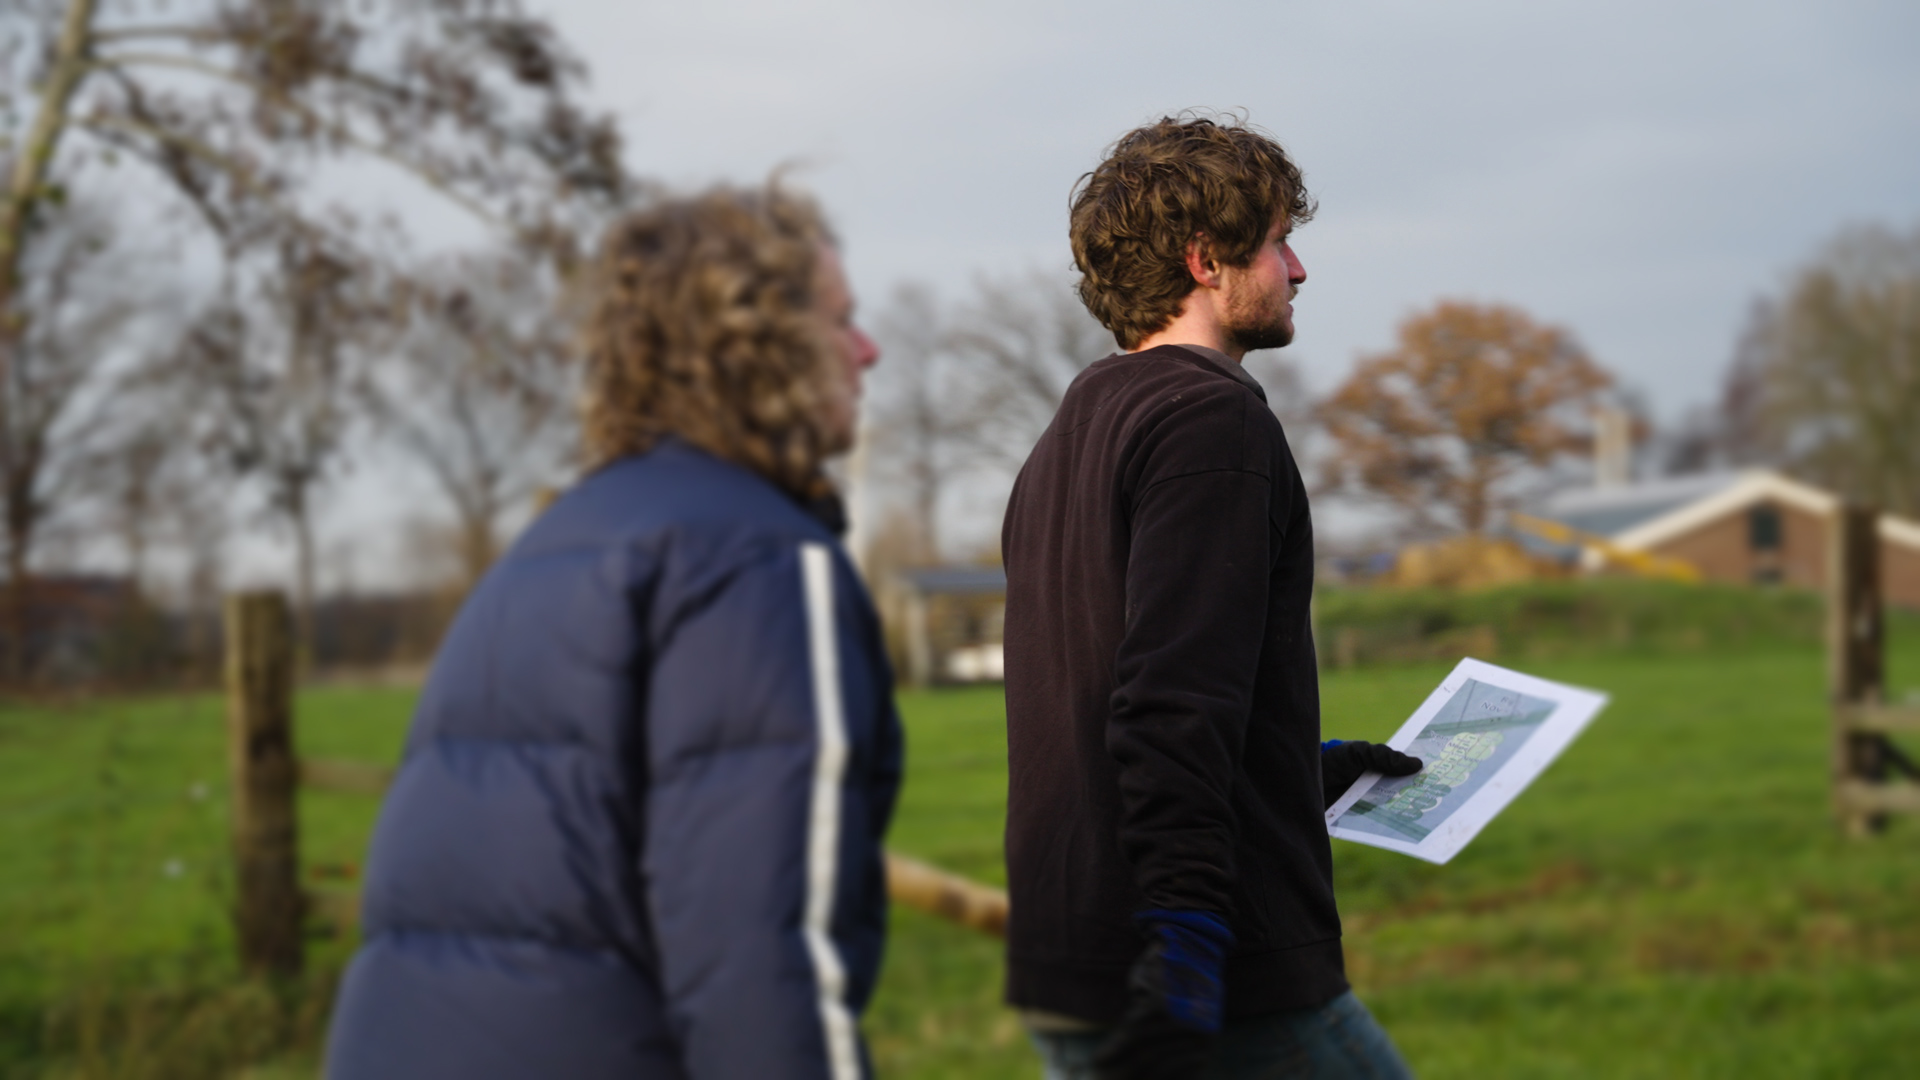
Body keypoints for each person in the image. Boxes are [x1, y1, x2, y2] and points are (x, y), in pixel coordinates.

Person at [324, 184, 903, 1080]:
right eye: (842, 321)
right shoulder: (756, 563)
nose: (868, 351)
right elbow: (761, 959)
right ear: (759, 344)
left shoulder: (559, 542)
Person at [1000, 115, 1423, 1079]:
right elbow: (1168, 702)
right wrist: (1188, 935)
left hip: (1073, 959)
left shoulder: (1073, 431)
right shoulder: (1211, 422)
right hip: (1203, 973)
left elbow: (1108, 690)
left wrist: (1301, 770)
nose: (1299, 271)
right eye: (1278, 244)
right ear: (1205, 261)